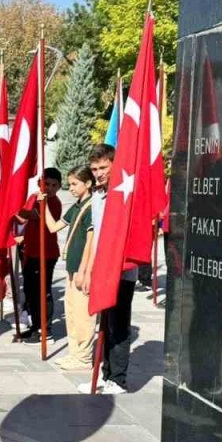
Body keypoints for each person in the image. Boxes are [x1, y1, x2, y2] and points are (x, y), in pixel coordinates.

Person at [75, 144, 134, 395]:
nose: (98, 173)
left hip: (121, 271)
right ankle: (105, 372)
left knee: (118, 326)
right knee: (105, 324)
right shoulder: (98, 197)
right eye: (94, 169)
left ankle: (118, 379)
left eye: (103, 167)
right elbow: (95, 237)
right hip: (101, 269)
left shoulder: (125, 194)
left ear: (114, 165)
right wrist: (88, 271)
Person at [34, 166, 95, 369]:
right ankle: (74, 352)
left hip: (81, 269)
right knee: (71, 312)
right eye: (70, 184)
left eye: (75, 184)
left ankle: (84, 357)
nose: (71, 188)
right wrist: (43, 205)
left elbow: (90, 242)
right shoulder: (77, 206)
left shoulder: (91, 207)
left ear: (88, 183)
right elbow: (53, 227)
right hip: (71, 267)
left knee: (83, 315)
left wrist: (84, 270)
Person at [15, 167, 63, 340]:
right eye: (46, 184)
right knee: (30, 291)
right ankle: (35, 325)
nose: (49, 188)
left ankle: (45, 329)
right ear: (39, 183)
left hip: (46, 254)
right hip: (31, 251)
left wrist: (13, 206)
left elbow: (33, 215)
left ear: (59, 187)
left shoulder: (54, 203)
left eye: (53, 185)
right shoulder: (35, 198)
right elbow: (24, 218)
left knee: (43, 292)